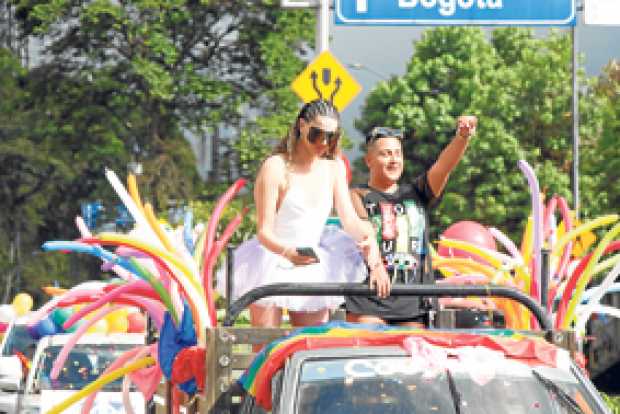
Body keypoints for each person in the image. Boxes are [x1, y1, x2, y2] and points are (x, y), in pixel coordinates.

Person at [227, 99, 390, 328]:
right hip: (271, 259)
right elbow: (264, 230)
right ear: (302, 126)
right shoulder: (276, 167)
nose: (323, 142)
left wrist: (374, 258)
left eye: (331, 137)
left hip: (313, 260)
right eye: (317, 134)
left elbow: (351, 221)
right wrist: (287, 252)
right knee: (263, 346)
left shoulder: (334, 167)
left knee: (309, 342)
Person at [345, 116, 477, 327]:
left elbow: (443, 167)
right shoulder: (357, 195)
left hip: (412, 301)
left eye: (398, 154)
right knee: (370, 349)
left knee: (411, 353)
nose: (394, 160)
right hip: (368, 297)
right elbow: (361, 231)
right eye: (386, 154)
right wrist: (376, 264)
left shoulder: (416, 193)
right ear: (369, 160)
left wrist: (462, 137)